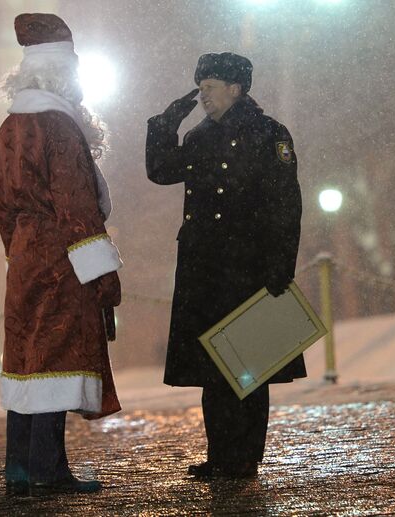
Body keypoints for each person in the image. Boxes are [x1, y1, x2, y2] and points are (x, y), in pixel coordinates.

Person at [145, 52, 306, 478]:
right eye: (200, 88)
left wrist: (280, 264)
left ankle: (245, 456)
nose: (202, 96)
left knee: (250, 365)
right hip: (205, 267)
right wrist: (166, 123)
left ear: (236, 89)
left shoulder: (270, 135)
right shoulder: (199, 137)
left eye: (210, 88)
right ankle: (221, 456)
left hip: (248, 265)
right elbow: (160, 170)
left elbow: (285, 205)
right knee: (213, 366)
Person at [0, 13, 123, 496]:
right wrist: (104, 276)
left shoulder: (8, 129)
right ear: (64, 73)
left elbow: (4, 208)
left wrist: (17, 254)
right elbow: (77, 209)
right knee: (57, 358)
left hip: (24, 257)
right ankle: (49, 469)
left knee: (27, 360)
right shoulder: (60, 129)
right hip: (63, 259)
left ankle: (19, 469)